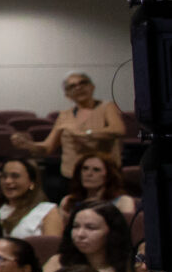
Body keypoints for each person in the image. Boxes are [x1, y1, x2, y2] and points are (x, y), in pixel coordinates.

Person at [17, 70, 127, 199]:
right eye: (72, 86)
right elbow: (47, 147)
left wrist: (85, 133)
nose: (78, 87)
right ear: (67, 94)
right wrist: (28, 145)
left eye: (82, 83)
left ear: (92, 86)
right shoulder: (65, 115)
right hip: (72, 177)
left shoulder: (107, 107)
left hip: (103, 177)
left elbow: (118, 130)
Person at [42, 199, 140, 272]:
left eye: (91, 228)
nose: (80, 234)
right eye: (76, 226)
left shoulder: (130, 267)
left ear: (111, 232)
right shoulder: (58, 262)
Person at [0, 157, 63, 241]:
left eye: (15, 176)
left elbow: (52, 248)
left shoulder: (47, 211)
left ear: (32, 181)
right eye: (4, 176)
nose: (8, 181)